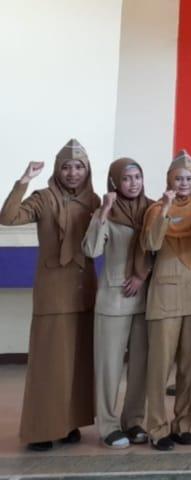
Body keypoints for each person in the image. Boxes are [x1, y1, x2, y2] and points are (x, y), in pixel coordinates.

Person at [1, 139, 99, 451]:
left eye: (79, 166)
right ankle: (41, 429)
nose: (72, 173)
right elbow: (9, 217)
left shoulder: (94, 201)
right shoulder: (43, 198)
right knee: (48, 364)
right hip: (53, 295)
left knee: (76, 364)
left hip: (84, 291)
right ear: (57, 170)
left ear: (87, 170)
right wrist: (23, 180)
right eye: (66, 167)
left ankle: (68, 423)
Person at [142, 150, 191, 451]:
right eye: (178, 179)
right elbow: (151, 242)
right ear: (169, 181)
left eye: (188, 179)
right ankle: (157, 428)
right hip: (165, 297)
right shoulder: (157, 210)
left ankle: (182, 424)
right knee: (160, 367)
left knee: (189, 367)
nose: (183, 183)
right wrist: (167, 208)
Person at [82, 157, 151, 449]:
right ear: (114, 183)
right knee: (109, 367)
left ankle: (133, 421)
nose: (133, 183)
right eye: (126, 178)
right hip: (113, 299)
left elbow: (157, 251)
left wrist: (140, 276)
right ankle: (108, 425)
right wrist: (104, 211)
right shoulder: (106, 214)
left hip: (145, 299)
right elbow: (91, 248)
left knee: (140, 367)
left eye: (137, 176)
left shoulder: (153, 209)